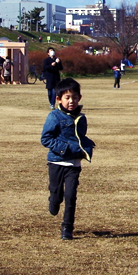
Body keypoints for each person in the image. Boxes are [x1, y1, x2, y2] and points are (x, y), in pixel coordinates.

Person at [41, 78, 95, 240]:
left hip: (74, 164)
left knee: (71, 195)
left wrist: (86, 146)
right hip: (56, 162)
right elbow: (46, 139)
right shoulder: (54, 117)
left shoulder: (81, 118)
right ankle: (54, 200)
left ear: (80, 98)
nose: (71, 101)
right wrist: (66, 148)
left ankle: (67, 228)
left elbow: (79, 137)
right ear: (58, 99)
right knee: (57, 194)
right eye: (67, 97)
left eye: (75, 97)